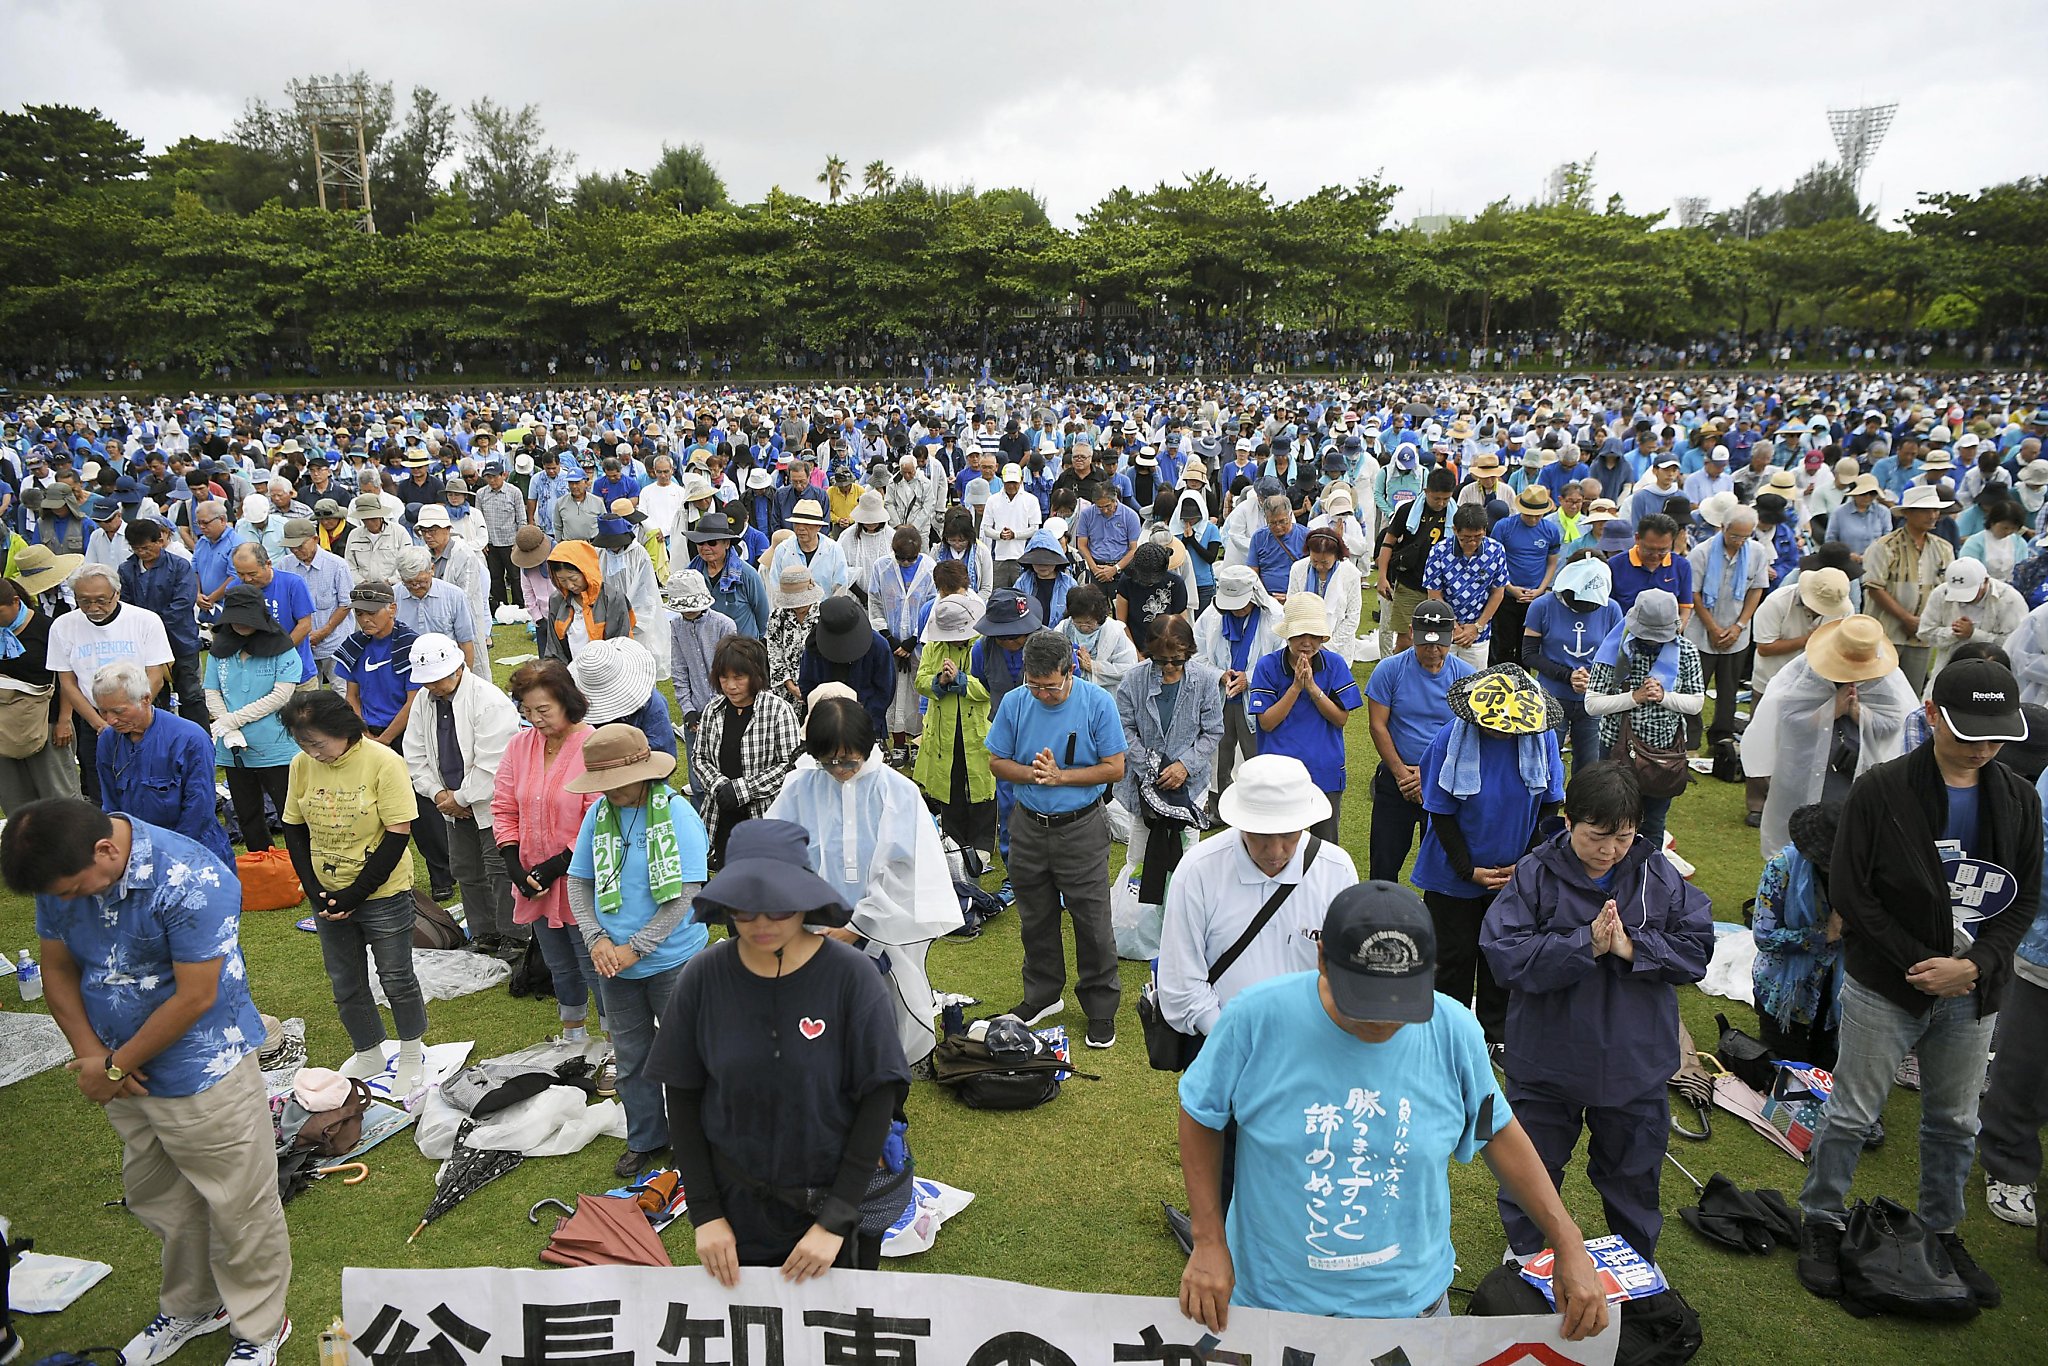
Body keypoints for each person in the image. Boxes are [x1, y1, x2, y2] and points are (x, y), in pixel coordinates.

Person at [1176, 882, 1607, 1337]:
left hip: (1412, 1310)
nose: (1382, 1022)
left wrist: (1567, 1240)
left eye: (1400, 1004)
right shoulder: (1255, 1019)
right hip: (1273, 1307)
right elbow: (1202, 1112)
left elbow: (1496, 1131)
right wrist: (1207, 1240)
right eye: (1363, 1004)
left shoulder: (1454, 1031)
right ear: (1322, 959)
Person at [1, 798, 294, 1366]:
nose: (62, 902)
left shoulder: (193, 877)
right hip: (122, 1075)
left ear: (105, 850)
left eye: (69, 890)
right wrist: (93, 1057)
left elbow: (195, 996)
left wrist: (112, 1066)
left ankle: (260, 1327)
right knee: (161, 1198)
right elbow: (57, 966)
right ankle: (193, 1305)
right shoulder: (56, 865)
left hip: (201, 1072)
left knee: (239, 1205)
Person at [1797, 659, 2038, 1313]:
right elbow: (1852, 890)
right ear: (1931, 717)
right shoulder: (1881, 790)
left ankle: (1941, 1231)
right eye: (1968, 734)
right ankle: (1821, 1220)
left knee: (1955, 1124)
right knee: (1850, 1112)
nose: (1983, 749)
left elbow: (2021, 902)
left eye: (1995, 737)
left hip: (1973, 994)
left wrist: (1977, 966)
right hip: (1886, 986)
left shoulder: (2019, 798)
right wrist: (1915, 962)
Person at [650, 819, 913, 1280]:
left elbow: (878, 1099)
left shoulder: (853, 978)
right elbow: (683, 1097)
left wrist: (833, 1222)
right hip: (738, 1209)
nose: (762, 924)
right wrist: (707, 1213)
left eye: (778, 909)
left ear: (803, 898)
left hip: (836, 1204)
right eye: (746, 910)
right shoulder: (702, 978)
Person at [1481, 761, 1713, 1262]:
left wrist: (1633, 948)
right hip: (1548, 1058)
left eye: (1623, 837)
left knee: (1633, 1172)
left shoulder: (1657, 873)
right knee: (1535, 1165)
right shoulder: (1534, 873)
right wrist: (1583, 944)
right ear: (1568, 821)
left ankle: (1635, 1262)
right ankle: (1523, 1253)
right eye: (1597, 837)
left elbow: (1696, 950)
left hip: (1633, 1060)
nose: (1609, 850)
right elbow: (1504, 955)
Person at [768, 690, 963, 1065]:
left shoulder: (896, 791)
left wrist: (858, 927)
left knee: (881, 1018)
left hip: (881, 933)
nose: (840, 772)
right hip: (814, 931)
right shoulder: (800, 786)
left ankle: (884, 1103)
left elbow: (905, 871)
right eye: (830, 763)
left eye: (850, 762)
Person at [561, 722, 713, 1178]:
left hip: (673, 958)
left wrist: (635, 948)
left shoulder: (680, 814)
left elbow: (686, 892)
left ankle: (696, 1141)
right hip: (614, 963)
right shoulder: (598, 814)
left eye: (614, 783)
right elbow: (579, 880)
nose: (607, 792)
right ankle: (646, 1137)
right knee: (631, 1056)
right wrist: (597, 939)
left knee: (688, 1056)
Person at [277, 690, 430, 1096]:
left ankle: (412, 1050)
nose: (311, 752)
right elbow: (293, 827)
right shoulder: (302, 765)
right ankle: (369, 1049)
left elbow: (398, 836)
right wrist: (316, 890)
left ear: (343, 731)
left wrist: (355, 895)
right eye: (302, 744)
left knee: (396, 976)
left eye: (317, 743)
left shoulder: (384, 762)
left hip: (382, 892)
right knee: (345, 979)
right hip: (327, 891)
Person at [1409, 664, 1566, 1051]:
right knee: (1452, 959)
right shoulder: (1452, 738)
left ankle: (1496, 1036)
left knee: (1504, 955)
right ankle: (1447, 1034)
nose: (1503, 732)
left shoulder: (1541, 738)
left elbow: (1551, 805)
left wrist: (1527, 862)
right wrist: (1468, 870)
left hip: (1515, 874)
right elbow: (1440, 811)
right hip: (1453, 871)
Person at [985, 628, 1128, 1047]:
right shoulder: (1016, 702)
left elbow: (1114, 767)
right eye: (1034, 685)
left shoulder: (1097, 702)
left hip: (1081, 826)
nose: (1041, 694)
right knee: (1035, 914)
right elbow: (997, 761)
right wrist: (1034, 775)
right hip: (1028, 825)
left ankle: (1101, 1008)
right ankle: (1043, 994)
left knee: (1092, 920)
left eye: (1049, 686)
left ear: (1070, 672)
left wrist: (1061, 777)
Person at [1156, 754, 1357, 1038]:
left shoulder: (1337, 871)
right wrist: (1234, 1042)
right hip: (1221, 1046)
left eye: (1288, 834)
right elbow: (1180, 982)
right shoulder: (1197, 870)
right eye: (1261, 834)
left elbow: (1345, 977)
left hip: (1310, 1050)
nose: (1275, 852)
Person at [493, 660, 604, 1044]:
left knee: (593, 963)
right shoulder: (519, 746)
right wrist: (514, 866)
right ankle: (573, 1033)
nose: (535, 719)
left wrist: (554, 868)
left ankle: (613, 1041)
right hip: (532, 881)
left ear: (567, 702)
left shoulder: (592, 746)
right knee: (558, 964)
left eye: (543, 710)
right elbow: (505, 806)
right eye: (527, 711)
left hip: (580, 879)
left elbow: (598, 818)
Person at [1744, 615, 1917, 858]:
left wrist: (1860, 714)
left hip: (1851, 774)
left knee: (1844, 836)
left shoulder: (1884, 681)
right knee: (1801, 834)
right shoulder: (1805, 671)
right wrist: (1829, 712)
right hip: (1806, 768)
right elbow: (1785, 717)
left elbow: (1894, 724)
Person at [402, 633, 521, 956]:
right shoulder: (425, 703)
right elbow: (414, 753)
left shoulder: (488, 700)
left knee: (500, 868)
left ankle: (515, 935)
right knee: (467, 869)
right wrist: (439, 794)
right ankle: (485, 933)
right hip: (452, 803)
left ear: (457, 669)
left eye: (437, 680)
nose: (432, 686)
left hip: (492, 803)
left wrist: (461, 798)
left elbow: (494, 762)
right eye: (427, 682)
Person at [333, 579, 452, 900]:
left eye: (372, 612)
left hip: (406, 736)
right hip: (368, 735)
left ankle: (443, 874)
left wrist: (384, 739)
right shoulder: (356, 645)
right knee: (374, 808)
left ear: (393, 609)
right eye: (360, 614)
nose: (366, 620)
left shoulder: (410, 645)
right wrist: (364, 733)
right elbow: (351, 695)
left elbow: (413, 701)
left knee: (422, 807)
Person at [1114, 617, 1224, 921]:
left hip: (1190, 786)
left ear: (1189, 652)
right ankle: (1136, 920)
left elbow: (1213, 731)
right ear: (1149, 653)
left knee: (1187, 855)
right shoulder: (1133, 680)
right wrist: (1152, 769)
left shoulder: (1204, 680)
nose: (1170, 667)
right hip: (1142, 786)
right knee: (1138, 853)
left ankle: (1183, 919)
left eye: (1177, 660)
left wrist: (1183, 767)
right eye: (1161, 661)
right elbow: (1122, 729)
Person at [1364, 600, 1475, 882]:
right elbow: (1378, 726)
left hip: (1443, 780)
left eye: (1440, 644)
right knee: (1384, 861)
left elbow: (1469, 733)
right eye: (1426, 643)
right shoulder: (1389, 670)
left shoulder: (1466, 677)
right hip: (1396, 779)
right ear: (1412, 632)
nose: (1433, 650)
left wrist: (1428, 774)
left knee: (1442, 864)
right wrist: (1403, 774)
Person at [1585, 589, 1703, 854]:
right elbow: (1592, 704)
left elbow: (1696, 702)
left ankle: (1648, 880)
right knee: (1612, 818)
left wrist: (1663, 697)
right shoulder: (1615, 649)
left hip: (1664, 755)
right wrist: (1635, 698)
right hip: (1617, 749)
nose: (1653, 643)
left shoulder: (1687, 651)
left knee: (1653, 824)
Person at [47, 563, 173, 804]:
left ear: (117, 593)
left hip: (143, 713)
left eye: (101, 600)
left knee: (154, 783)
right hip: (93, 718)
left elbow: (155, 676)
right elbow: (68, 682)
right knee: (102, 788)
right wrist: (101, 723)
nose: (94, 608)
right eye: (84, 601)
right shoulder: (63, 626)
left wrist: (133, 715)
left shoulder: (145, 620)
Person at [89, 659, 233, 865]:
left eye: (119, 711)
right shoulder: (108, 740)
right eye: (103, 711)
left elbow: (199, 811)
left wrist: (168, 857)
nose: (110, 720)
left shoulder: (190, 739)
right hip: (137, 852)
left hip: (194, 852)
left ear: (146, 699)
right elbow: (111, 804)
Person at [1246, 594, 1358, 843]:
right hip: (1278, 773)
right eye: (1299, 635)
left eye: (1313, 635)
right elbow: (1266, 722)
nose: (1306, 643)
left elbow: (1341, 718)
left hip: (1324, 770)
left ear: (1322, 637)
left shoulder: (1335, 664)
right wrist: (1296, 687)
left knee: (1325, 845)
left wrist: (1313, 689)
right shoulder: (1267, 666)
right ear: (1288, 635)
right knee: (1276, 845)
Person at [205, 586, 308, 852]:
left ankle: (302, 865)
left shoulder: (283, 649)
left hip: (275, 748)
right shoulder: (220, 650)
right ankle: (262, 863)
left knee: (291, 814)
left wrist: (232, 720)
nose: (240, 624)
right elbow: (211, 691)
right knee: (247, 814)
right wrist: (228, 729)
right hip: (234, 748)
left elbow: (281, 696)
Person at [1751, 801, 1849, 1070]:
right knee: (1785, 1077)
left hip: (1836, 996)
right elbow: (1764, 936)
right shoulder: (1783, 868)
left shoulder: (1863, 874)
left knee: (1827, 1077)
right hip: (1784, 995)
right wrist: (1822, 935)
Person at [690, 634, 801, 869]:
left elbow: (789, 765)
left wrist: (742, 790)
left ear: (756, 675)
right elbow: (699, 757)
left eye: (739, 677)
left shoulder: (778, 711)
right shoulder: (713, 710)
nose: (730, 686)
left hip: (764, 817)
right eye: (724, 677)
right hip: (720, 816)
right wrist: (721, 787)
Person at [913, 593, 997, 873]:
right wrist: (939, 681)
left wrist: (961, 681)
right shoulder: (933, 647)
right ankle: (954, 841)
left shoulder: (984, 646)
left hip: (978, 729)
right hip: (944, 730)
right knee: (949, 784)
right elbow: (920, 680)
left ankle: (983, 845)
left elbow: (990, 688)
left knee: (983, 785)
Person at [1521, 557, 1624, 775]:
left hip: (1593, 700)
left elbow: (1619, 659)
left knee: (1590, 767)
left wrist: (1593, 679)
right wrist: (1568, 676)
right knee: (1545, 763)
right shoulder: (1542, 606)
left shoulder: (1612, 609)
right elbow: (1529, 654)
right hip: (1551, 698)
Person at [1684, 500, 1768, 756]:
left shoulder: (1756, 552)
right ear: (1722, 527)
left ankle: (1721, 737)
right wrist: (1712, 627)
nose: (1739, 541)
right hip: (1702, 632)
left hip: (1737, 633)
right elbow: (1693, 592)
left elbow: (1756, 589)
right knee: (1694, 689)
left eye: (1745, 536)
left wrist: (1739, 626)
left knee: (1729, 690)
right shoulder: (1702, 552)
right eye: (1734, 536)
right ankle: (1690, 741)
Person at [1194, 565, 1283, 800]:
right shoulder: (1212, 616)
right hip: (1220, 694)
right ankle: (1218, 804)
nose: (1237, 610)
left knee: (1255, 751)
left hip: (1258, 697)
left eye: (1241, 604)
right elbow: (1196, 652)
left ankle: (1257, 801)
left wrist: (1250, 677)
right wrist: (1219, 674)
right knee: (1218, 750)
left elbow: (1281, 657)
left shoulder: (1274, 616)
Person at [0, 564, 83, 812]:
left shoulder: (47, 628)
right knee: (15, 800)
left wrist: (64, 720)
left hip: (48, 721)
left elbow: (67, 676)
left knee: (59, 796)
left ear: (16, 602)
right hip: (5, 726)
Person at [1861, 484, 1956, 694]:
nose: (1933, 515)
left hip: (1922, 634)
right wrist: (1906, 618)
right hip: (1886, 631)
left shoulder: (1943, 548)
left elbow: (1946, 590)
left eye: (1935, 510)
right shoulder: (1884, 546)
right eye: (1926, 510)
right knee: (1877, 690)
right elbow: (1874, 587)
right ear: (1908, 513)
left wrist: (1925, 622)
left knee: (1911, 693)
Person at [117, 517, 206, 723]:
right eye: (136, 549)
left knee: (190, 694)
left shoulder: (179, 566)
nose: (142, 553)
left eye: (146, 548)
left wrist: (152, 624)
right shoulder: (126, 569)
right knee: (152, 694)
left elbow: (183, 602)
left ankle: (200, 736)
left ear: (160, 541)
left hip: (180, 639)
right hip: (143, 644)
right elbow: (125, 604)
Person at [866, 525, 935, 764]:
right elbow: (874, 603)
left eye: (911, 559)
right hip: (890, 644)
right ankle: (897, 743)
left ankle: (916, 741)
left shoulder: (929, 569)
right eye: (901, 558)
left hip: (918, 644)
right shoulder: (881, 567)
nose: (906, 563)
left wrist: (912, 640)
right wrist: (890, 639)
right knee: (893, 692)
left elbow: (932, 607)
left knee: (917, 693)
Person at [1421, 504, 1508, 668]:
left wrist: (1477, 627)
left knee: (1474, 684)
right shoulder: (1439, 551)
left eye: (1478, 537)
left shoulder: (1496, 550)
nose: (1472, 542)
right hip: (1443, 628)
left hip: (1478, 633)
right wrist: (1453, 626)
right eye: (1465, 538)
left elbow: (1498, 592)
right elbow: (1434, 594)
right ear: (1455, 530)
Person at [798, 596, 893, 741]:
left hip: (866, 724)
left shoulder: (878, 646)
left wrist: (863, 722)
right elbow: (807, 685)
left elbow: (884, 691)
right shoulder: (813, 647)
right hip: (825, 726)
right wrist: (826, 718)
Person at [1916, 557, 2027, 679]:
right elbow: (1924, 632)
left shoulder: (2010, 600)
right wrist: (1954, 632)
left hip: (1995, 675)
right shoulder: (1941, 593)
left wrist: (1973, 634)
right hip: (1948, 672)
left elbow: (2016, 644)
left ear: (1985, 581)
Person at [277, 518, 353, 688]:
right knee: (306, 694)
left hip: (334, 641)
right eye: (291, 547)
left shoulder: (337, 565)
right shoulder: (284, 565)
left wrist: (323, 632)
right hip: (301, 644)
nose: (296, 550)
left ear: (315, 539)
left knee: (343, 689)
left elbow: (346, 604)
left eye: (300, 545)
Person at [540, 539, 636, 665]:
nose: (570, 585)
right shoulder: (557, 601)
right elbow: (554, 648)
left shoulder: (612, 598)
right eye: (562, 581)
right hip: (572, 672)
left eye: (573, 579)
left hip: (608, 670)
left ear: (586, 571)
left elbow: (620, 642)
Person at [1059, 583, 1139, 693]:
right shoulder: (1063, 628)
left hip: (1105, 693)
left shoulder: (1114, 631)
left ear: (1099, 616)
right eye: (1078, 622)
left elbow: (1129, 668)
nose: (1084, 627)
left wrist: (1093, 666)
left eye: (1089, 623)